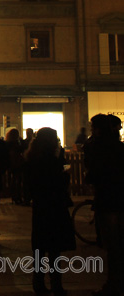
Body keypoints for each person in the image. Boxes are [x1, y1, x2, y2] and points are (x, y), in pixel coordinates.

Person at [26, 127, 74, 295]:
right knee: (54, 248)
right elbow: (58, 181)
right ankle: (55, 283)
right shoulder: (51, 160)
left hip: (40, 206)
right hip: (54, 205)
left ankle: (38, 281)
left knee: (40, 246)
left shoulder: (33, 158)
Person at [84, 113, 124, 296]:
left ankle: (113, 283)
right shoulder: (119, 147)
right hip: (120, 198)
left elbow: (92, 173)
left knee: (112, 245)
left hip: (106, 199)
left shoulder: (97, 148)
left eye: (93, 127)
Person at [4, 127, 23, 204]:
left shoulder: (7, 143)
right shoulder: (17, 143)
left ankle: (13, 196)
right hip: (17, 164)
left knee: (12, 180)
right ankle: (17, 196)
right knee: (17, 180)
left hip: (10, 164)